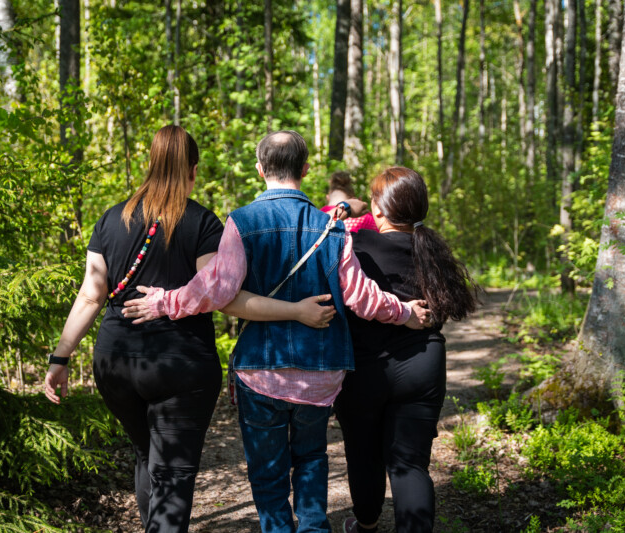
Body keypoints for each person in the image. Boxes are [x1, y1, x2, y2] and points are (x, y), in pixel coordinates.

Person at [121, 131, 430, 533]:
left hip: (261, 371)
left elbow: (215, 289)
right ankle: (314, 527)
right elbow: (361, 296)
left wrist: (164, 302)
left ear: (260, 169)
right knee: (312, 459)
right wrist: (404, 311)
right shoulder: (333, 228)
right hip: (321, 370)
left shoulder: (243, 222)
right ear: (306, 169)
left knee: (268, 472)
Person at [43, 125, 227, 533]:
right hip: (181, 363)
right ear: (193, 169)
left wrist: (61, 356)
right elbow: (211, 291)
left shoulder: (112, 219)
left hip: (116, 362)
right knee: (172, 473)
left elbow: (90, 294)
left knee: (148, 457)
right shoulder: (202, 222)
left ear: (151, 163)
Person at [335, 167, 478, 533]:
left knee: (363, 454)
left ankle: (366, 525)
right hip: (423, 365)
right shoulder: (433, 251)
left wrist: (347, 208)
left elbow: (320, 234)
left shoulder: (356, 246)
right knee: (410, 465)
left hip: (364, 371)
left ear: (378, 209)